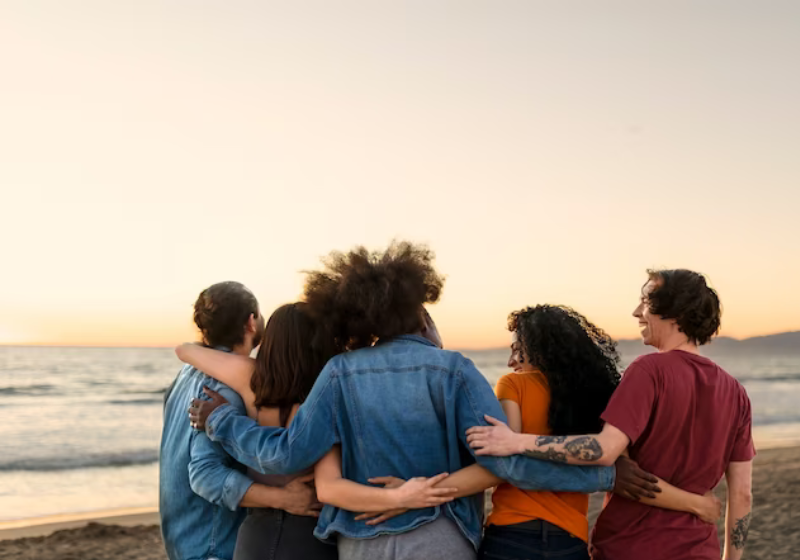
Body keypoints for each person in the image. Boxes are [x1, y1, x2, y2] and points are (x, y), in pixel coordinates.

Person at [188, 242, 654, 560]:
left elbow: (287, 453)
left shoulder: (339, 372)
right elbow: (504, 462)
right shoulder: (455, 369)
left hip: (362, 540)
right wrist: (604, 475)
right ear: (417, 309)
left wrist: (222, 422)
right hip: (440, 536)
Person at [467, 269, 755, 560]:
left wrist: (516, 442)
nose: (636, 312)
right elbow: (742, 495)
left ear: (675, 314)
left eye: (646, 302)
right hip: (700, 550)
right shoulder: (736, 393)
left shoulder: (648, 371)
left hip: (632, 546)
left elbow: (604, 452)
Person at [176, 302, 457, 560]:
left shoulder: (247, 377)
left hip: (255, 536)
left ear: (271, 341)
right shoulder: (329, 395)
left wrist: (217, 414)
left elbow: (185, 351)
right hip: (311, 534)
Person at [159, 282, 321, 560]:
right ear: (251, 322)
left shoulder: (185, 375)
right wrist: (284, 499)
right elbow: (205, 476)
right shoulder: (226, 387)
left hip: (181, 542)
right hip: (213, 547)